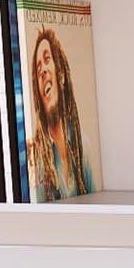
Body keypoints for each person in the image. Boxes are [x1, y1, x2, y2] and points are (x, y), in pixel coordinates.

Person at [26, 25, 92, 199]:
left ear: (60, 75)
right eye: (38, 68)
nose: (42, 71)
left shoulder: (83, 147)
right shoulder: (37, 162)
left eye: (47, 60)